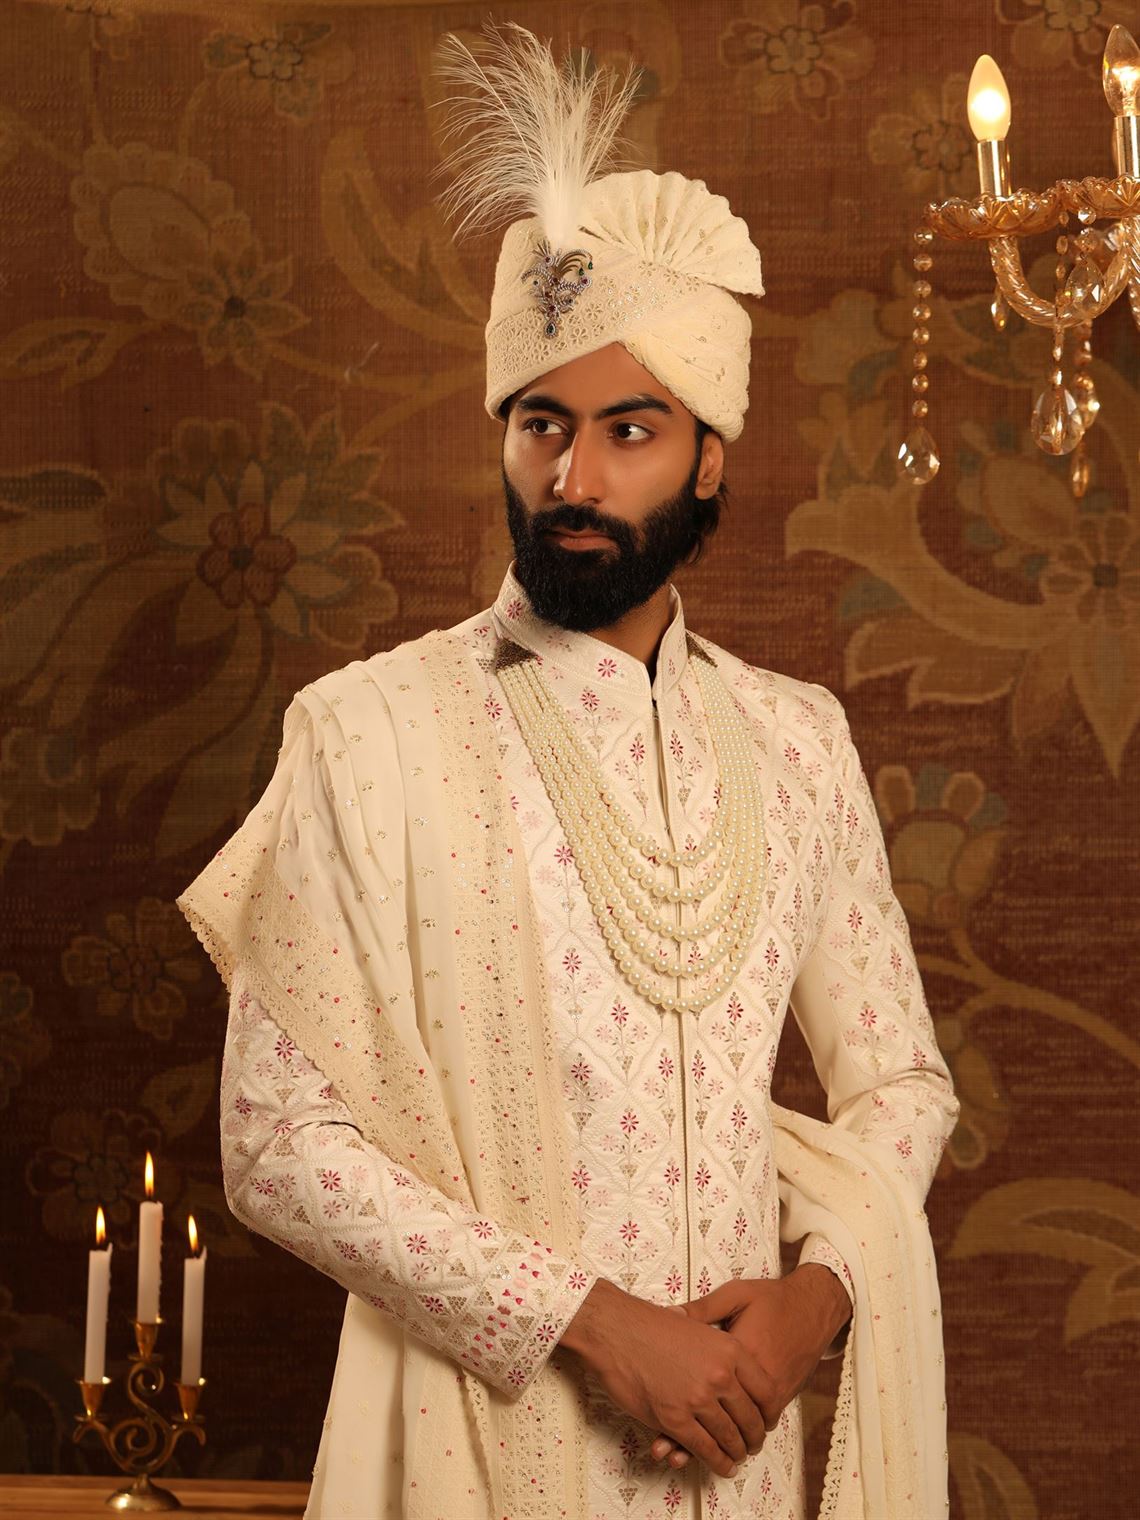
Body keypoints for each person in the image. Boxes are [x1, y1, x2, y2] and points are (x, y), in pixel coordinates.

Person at [179, 24, 958, 1520]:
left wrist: (808, 1312)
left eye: (629, 432)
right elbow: (280, 1146)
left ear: (710, 458)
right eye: (542, 426)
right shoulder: (369, 731)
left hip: (740, 1453)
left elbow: (902, 1085)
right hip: (473, 1444)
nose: (574, 480)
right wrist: (600, 1328)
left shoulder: (798, 742)